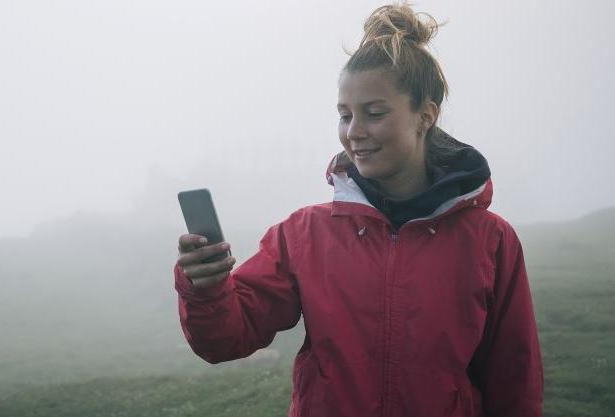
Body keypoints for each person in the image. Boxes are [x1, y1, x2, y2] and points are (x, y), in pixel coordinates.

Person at [174, 3, 543, 417]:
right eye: (345, 115)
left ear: (426, 116)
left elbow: (515, 377)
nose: (354, 132)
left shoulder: (491, 240)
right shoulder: (303, 233)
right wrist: (205, 288)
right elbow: (227, 339)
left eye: (374, 113)